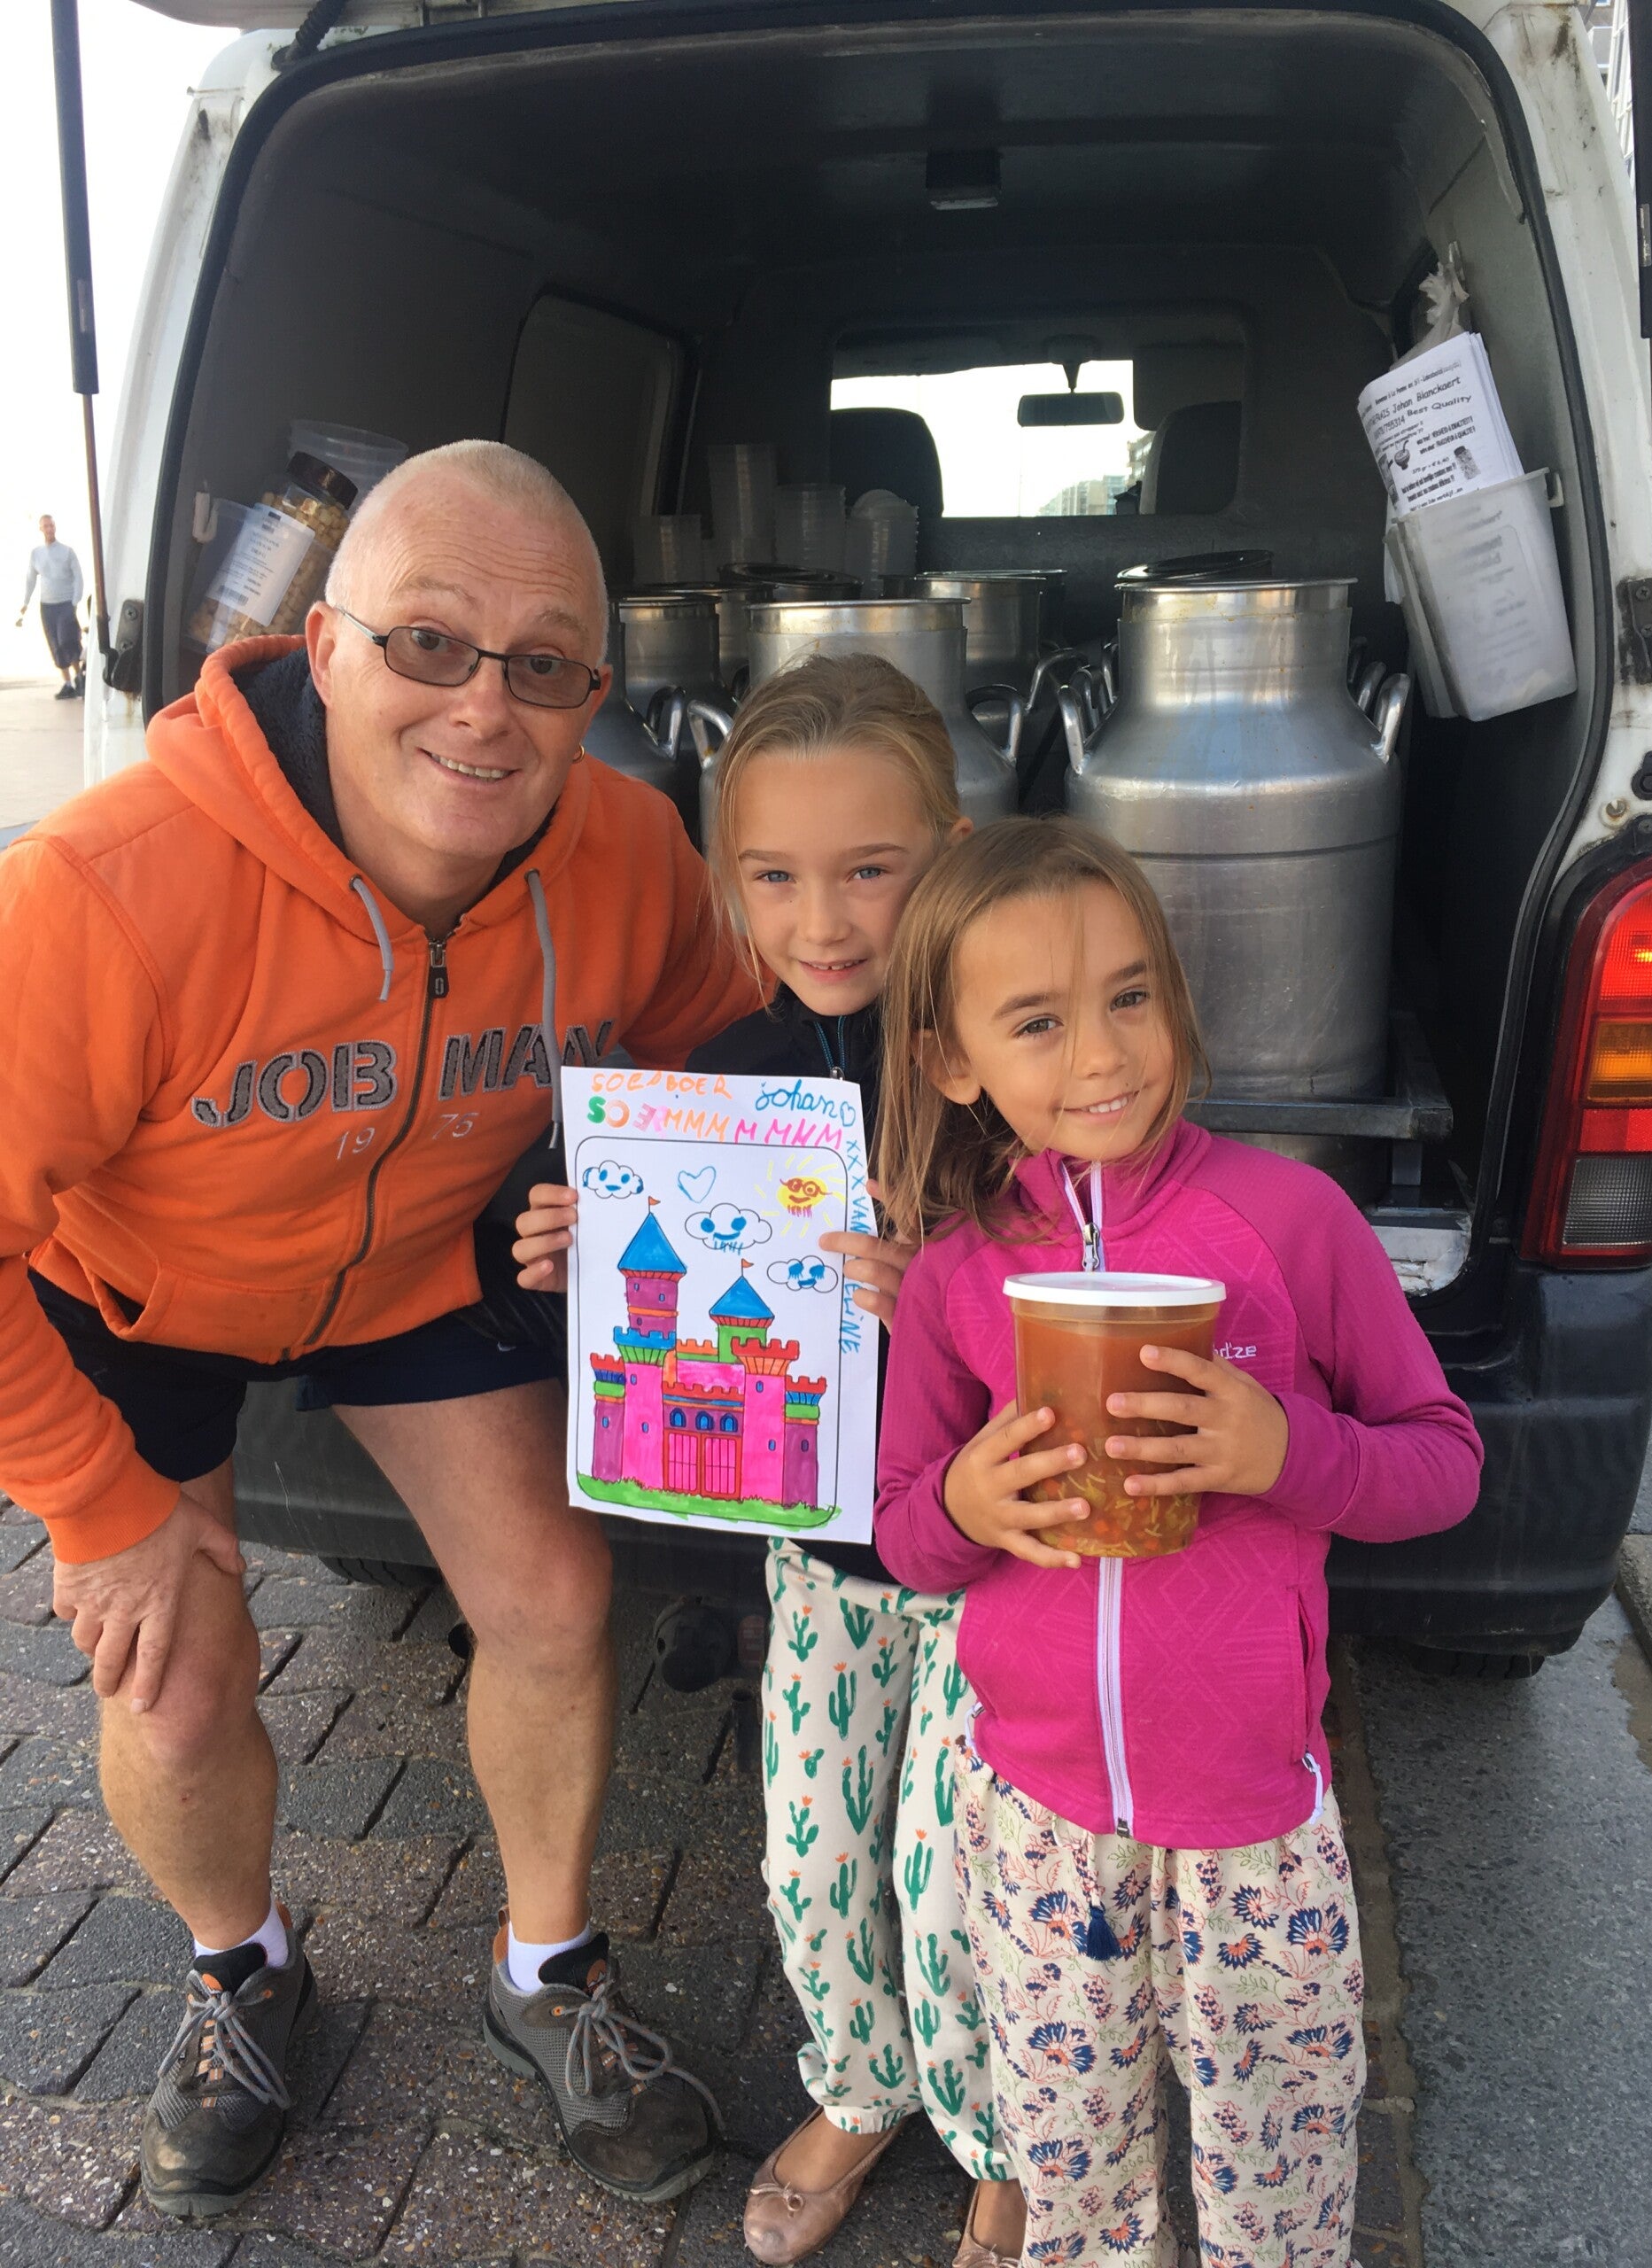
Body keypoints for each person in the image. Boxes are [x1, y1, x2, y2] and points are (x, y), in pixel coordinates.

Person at [0, 440, 761, 2223]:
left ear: (593, 694)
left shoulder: (630, 851)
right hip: (143, 1288)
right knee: (176, 1677)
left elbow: (730, 1068)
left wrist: (648, 1200)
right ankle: (240, 1969)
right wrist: (93, 1505)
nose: (484, 708)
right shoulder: (101, 887)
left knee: (556, 1595)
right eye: (429, 643)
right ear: (325, 648)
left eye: (543, 664)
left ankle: (547, 1969)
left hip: (420, 1258)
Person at [871, 818, 1484, 2268]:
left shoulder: (1290, 1219)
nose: (1103, 1053)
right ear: (953, 1062)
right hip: (1040, 1820)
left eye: (1131, 994)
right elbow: (902, 1535)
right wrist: (965, 1507)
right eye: (1038, 1020)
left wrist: (1289, 1453)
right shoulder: (956, 1276)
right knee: (1075, 2167)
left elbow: (1444, 1464)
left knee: (1282, 2160)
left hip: (1253, 1821)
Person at [511, 654, 1028, 2267]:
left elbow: (1109, 1281)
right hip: (823, 1561)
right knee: (810, 1858)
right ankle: (864, 2088)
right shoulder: (723, 1075)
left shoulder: (1018, 1067)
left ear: (948, 851)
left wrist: (950, 1283)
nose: (827, 921)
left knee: (961, 1875)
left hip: (1004, 1564)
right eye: (777, 877)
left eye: (872, 870)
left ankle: (1007, 2138)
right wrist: (570, 1252)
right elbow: (633, 1311)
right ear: (728, 879)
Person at [16, 513, 85, 697]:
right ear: (41, 529)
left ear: (55, 527)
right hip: (47, 606)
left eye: (51, 525)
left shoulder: (67, 551)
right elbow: (30, 579)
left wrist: (75, 601)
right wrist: (25, 603)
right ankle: (68, 684)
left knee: (67, 640)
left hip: (66, 604)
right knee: (55, 644)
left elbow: (78, 576)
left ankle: (80, 677)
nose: (49, 529)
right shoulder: (36, 554)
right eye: (46, 526)